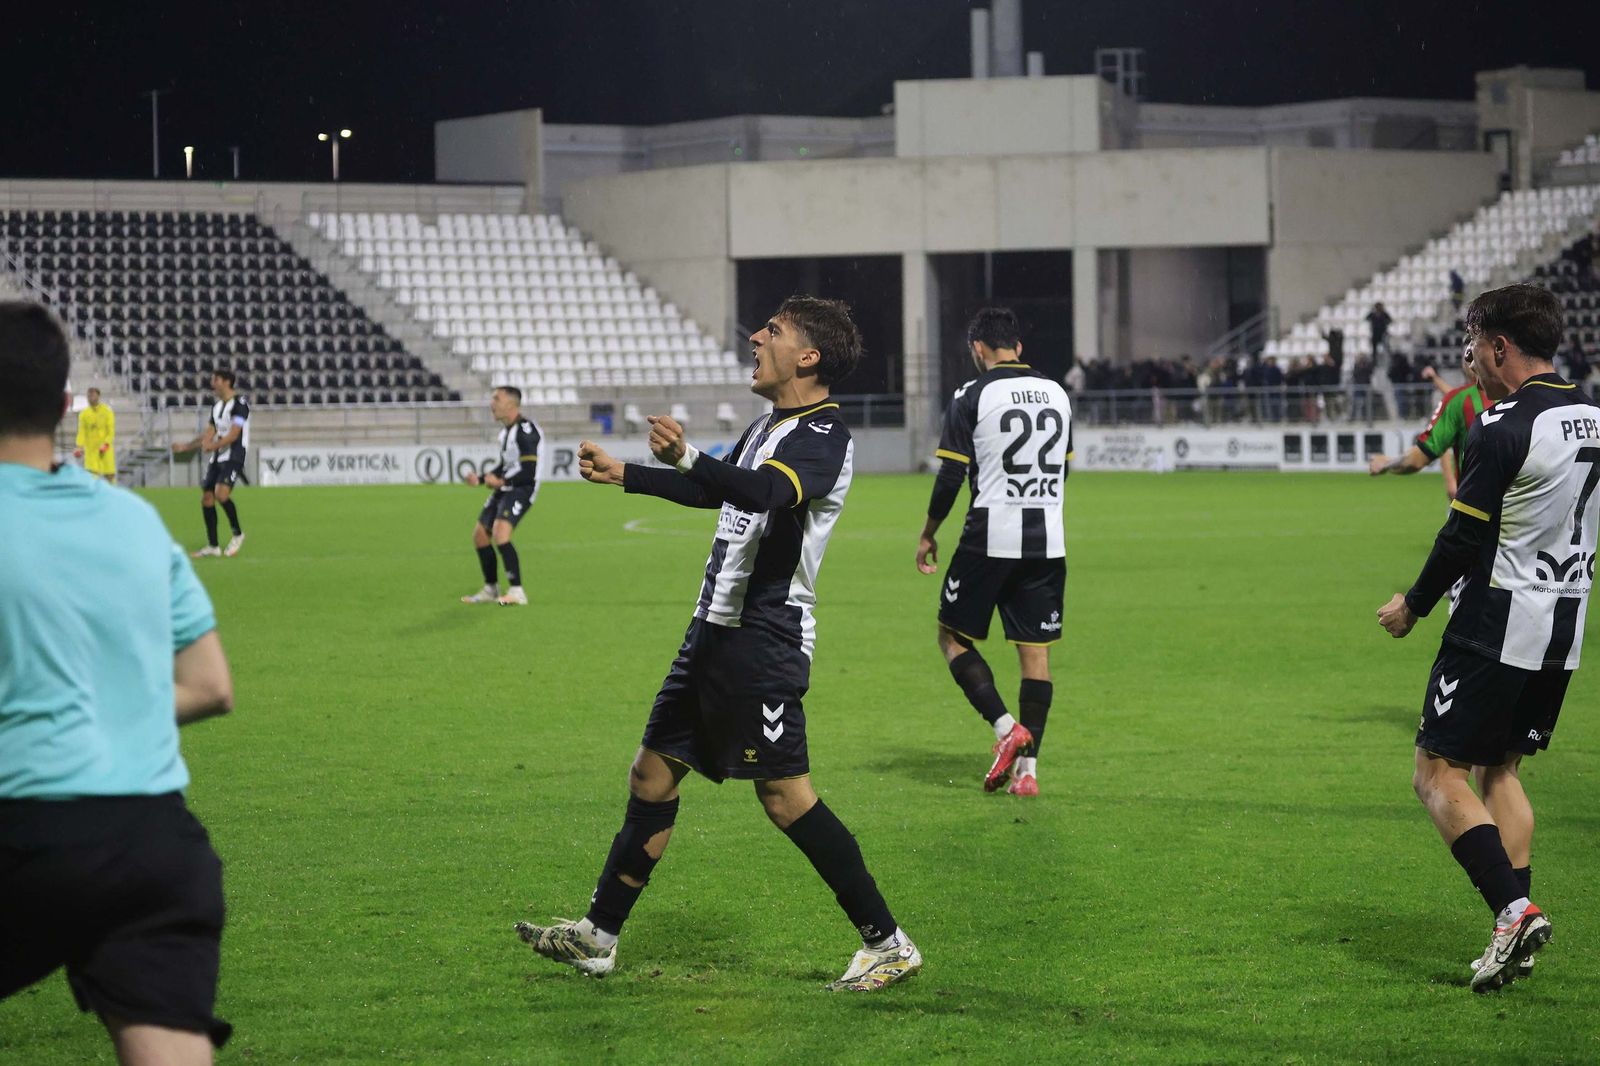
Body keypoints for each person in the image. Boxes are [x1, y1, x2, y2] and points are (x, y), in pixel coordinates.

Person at [514, 296, 920, 991]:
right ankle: (600, 935)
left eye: (775, 331)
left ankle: (888, 944)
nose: (757, 337)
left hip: (763, 639)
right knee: (652, 773)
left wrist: (690, 454)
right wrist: (628, 475)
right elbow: (718, 491)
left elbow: (762, 493)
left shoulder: (824, 437)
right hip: (712, 631)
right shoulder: (770, 423)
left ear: (808, 356)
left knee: (786, 796)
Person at [0, 302, 236, 1063]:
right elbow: (210, 686)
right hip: (154, 846)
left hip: (23, 835)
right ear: (67, 404)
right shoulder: (137, 522)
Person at [1376, 284, 1599, 992]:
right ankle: (1514, 928)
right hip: (1565, 624)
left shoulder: (1502, 424)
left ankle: (1511, 910)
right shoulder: (1593, 415)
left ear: (1499, 345)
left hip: (1496, 621)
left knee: (1435, 773)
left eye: (1470, 341)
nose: (1466, 356)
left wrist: (1412, 606)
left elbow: (1461, 536)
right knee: (1500, 771)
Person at [916, 308, 1073, 796]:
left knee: (951, 637)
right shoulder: (1058, 394)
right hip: (1047, 540)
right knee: (1035, 655)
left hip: (989, 537)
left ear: (978, 350)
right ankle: (1028, 776)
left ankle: (1007, 729)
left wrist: (929, 532)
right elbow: (1065, 470)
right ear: (1019, 348)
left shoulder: (972, 395)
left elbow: (949, 476)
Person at [459, 386, 543, 607]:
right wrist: (481, 477)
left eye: (496, 398)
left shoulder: (526, 431)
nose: (491, 403)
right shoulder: (506, 432)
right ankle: (491, 588)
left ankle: (517, 591)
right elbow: (505, 465)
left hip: (522, 489)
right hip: (506, 487)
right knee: (479, 535)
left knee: (500, 533)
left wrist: (501, 482)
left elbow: (528, 472)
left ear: (511, 405)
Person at [1368, 348, 1488, 499]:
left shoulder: (1460, 401)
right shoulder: (1521, 393)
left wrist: (1387, 463)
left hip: (1476, 508)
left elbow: (1419, 458)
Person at [171, 369, 249, 558]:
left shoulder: (240, 404)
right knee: (207, 498)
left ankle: (238, 534)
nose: (212, 383)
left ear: (227, 382)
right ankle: (213, 546)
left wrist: (213, 445)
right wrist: (186, 446)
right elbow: (209, 433)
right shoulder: (216, 407)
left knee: (221, 495)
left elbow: (234, 434)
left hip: (234, 456)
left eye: (216, 379)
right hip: (217, 457)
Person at [74, 386, 116, 483]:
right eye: (88, 396)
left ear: (98, 396)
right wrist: (79, 446)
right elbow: (82, 432)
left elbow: (111, 430)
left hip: (105, 448)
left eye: (93, 395)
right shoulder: (83, 414)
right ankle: (94, 495)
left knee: (109, 474)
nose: (90, 398)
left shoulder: (107, 411)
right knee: (91, 474)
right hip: (91, 449)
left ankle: (111, 494)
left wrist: (106, 443)